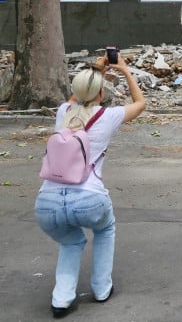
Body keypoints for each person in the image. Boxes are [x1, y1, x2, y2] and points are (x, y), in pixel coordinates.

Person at [34, 53, 146, 318]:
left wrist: (94, 69)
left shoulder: (63, 112)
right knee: (105, 228)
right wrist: (125, 70)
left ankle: (61, 300)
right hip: (88, 198)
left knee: (71, 242)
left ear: (76, 90)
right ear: (101, 94)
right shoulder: (108, 116)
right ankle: (101, 288)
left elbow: (76, 99)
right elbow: (141, 103)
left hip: (46, 204)